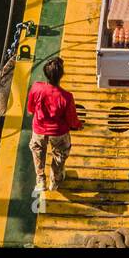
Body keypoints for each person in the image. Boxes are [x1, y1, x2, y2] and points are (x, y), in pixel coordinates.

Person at [26, 56, 83, 193]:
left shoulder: (36, 88)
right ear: (61, 75)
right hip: (59, 133)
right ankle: (55, 180)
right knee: (59, 155)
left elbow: (31, 109)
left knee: (38, 152)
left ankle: (40, 180)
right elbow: (71, 120)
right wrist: (78, 125)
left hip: (39, 130)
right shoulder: (66, 97)